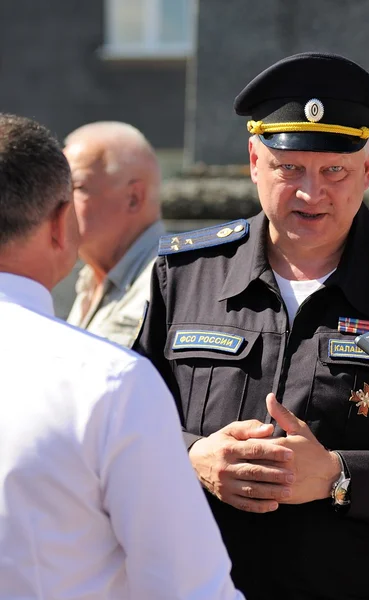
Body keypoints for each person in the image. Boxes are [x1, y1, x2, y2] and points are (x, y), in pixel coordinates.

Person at [134, 52, 369, 600]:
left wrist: (339, 477)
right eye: (290, 169)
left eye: (334, 170)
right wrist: (192, 457)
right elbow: (124, 424)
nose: (312, 193)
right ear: (254, 161)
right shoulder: (185, 275)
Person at [0, 113, 244, 599]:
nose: (73, 209)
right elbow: (189, 588)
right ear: (56, 223)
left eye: (80, 188)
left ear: (134, 196)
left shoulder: (177, 289)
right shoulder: (109, 378)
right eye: (66, 197)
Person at [64, 121, 165, 347]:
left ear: (133, 198)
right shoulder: (90, 278)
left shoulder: (166, 285)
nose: (60, 202)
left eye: (78, 187)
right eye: (59, 188)